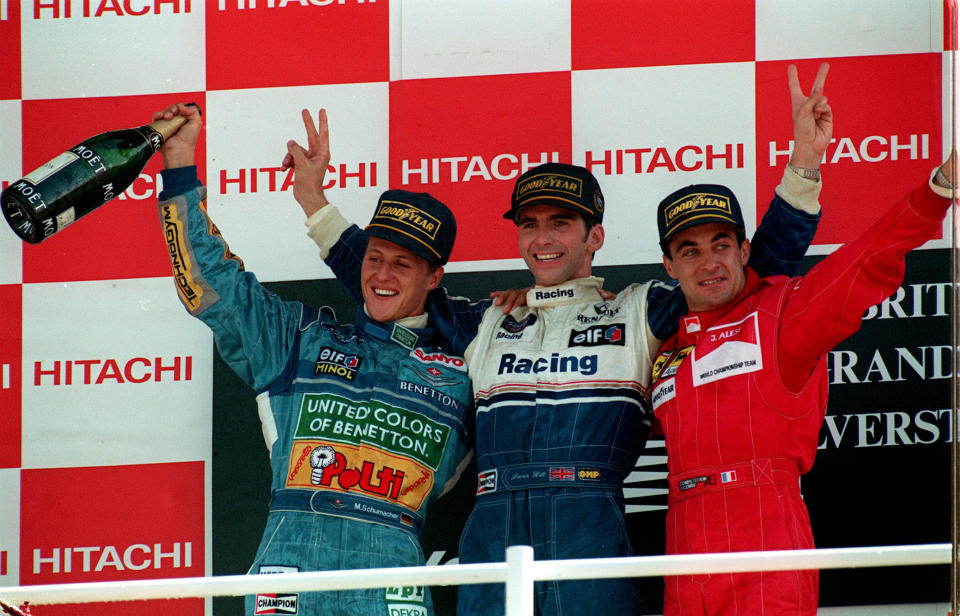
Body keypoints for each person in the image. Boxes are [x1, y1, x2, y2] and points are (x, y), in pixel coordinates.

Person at [294, 69, 826, 616]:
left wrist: (803, 171)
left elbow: (745, 277)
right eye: (530, 224)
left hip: (589, 519)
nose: (543, 239)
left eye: (561, 223)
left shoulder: (641, 309)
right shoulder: (485, 319)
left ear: (594, 235)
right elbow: (392, 280)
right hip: (493, 519)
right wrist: (316, 203)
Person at [650, 65, 955, 615]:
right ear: (669, 266)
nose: (709, 262)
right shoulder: (662, 344)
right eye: (690, 250)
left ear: (745, 251)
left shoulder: (783, 313)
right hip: (682, 541)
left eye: (721, 244)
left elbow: (864, 261)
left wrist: (938, 191)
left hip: (765, 528)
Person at [153, 103, 474, 616]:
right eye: (373, 258)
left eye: (402, 264)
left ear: (434, 278)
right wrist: (179, 162)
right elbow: (208, 280)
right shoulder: (298, 339)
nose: (381, 275)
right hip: (290, 570)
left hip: (393, 579)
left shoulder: (468, 365)